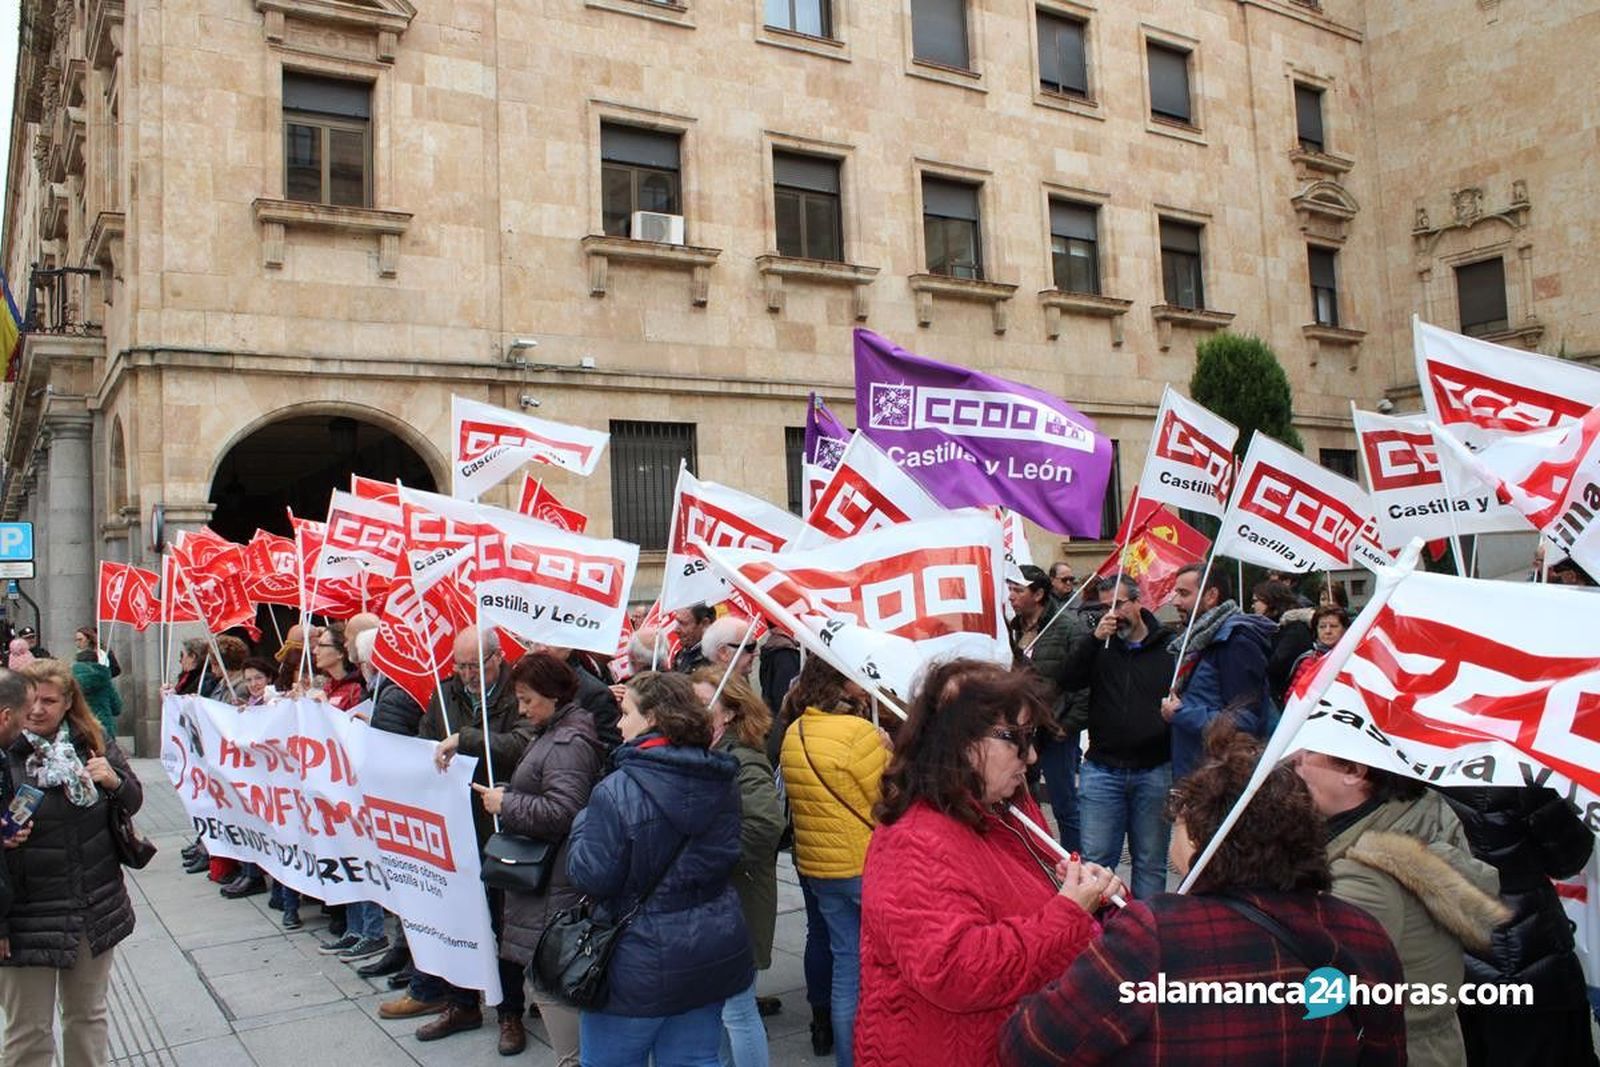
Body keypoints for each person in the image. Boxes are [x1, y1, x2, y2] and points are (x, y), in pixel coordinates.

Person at [1001, 723, 1407, 1066]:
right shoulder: (1363, 933)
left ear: (1202, 837)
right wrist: (1113, 906)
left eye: (1181, 815)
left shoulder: (1155, 934)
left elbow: (1032, 1044)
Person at [855, 660, 1120, 1067]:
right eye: (1018, 738)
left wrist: (1092, 893)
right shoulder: (913, 839)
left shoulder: (1007, 807)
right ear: (962, 741)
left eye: (1032, 737)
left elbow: (1030, 906)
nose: (1031, 755)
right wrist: (1069, 911)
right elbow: (953, 972)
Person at [566, 671, 753, 1065]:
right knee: (695, 1059)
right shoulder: (722, 778)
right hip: (708, 947)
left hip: (636, 960)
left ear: (652, 718)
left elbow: (591, 876)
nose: (619, 724)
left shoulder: (616, 790)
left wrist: (583, 822)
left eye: (626, 713)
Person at [1295, 751, 1508, 1067]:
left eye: (1310, 752)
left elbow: (1317, 996)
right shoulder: (1410, 818)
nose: (1296, 760)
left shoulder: (1366, 879)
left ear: (1354, 771)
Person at [379, 627, 535, 1040]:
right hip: (453, 820)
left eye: (474, 666)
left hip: (499, 822)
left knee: (503, 922)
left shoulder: (516, 692)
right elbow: (426, 739)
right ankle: (461, 1005)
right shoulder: (444, 692)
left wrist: (463, 740)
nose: (466, 674)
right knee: (455, 915)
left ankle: (510, 1013)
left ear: (496, 658)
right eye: (460, 665)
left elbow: (522, 744)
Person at [0, 660, 145, 1067]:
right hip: (25, 915)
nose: (37, 710)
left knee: (87, 1017)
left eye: (49, 701)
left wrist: (114, 781)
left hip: (91, 905)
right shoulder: (5, 750)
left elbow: (133, 800)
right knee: (27, 1030)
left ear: (68, 702)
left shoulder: (92, 741)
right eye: (32, 700)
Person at [475, 653, 605, 1062]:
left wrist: (508, 804)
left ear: (553, 695)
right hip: (548, 877)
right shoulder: (555, 732)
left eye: (528, 699)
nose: (522, 709)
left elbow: (565, 811)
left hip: (554, 881)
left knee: (554, 987)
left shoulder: (567, 742)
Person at [780, 657, 889, 1067]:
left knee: (846, 964)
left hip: (820, 868)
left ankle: (848, 1058)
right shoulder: (858, 733)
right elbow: (889, 796)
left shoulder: (795, 731)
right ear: (841, 683)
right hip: (864, 862)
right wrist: (889, 752)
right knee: (883, 965)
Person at [1441, 786, 1599, 1067]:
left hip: (1440, 955)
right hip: (1522, 960)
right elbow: (1567, 858)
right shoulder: (1517, 773)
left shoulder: (1395, 766)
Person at [690, 669, 784, 1067]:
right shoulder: (705, 754)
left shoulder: (742, 759)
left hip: (739, 901)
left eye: (701, 702)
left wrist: (708, 855)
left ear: (728, 713)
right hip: (718, 902)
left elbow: (765, 826)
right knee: (717, 1010)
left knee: (737, 1010)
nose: (692, 710)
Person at [1062, 576, 1175, 901]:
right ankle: (1101, 927)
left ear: (1139, 603)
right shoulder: (1101, 645)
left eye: (1119, 604)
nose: (1112, 614)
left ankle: (1147, 925)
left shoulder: (1169, 646)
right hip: (1103, 770)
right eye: (1104, 607)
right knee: (1096, 863)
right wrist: (1093, 641)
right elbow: (1068, 679)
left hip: (1154, 770)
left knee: (1150, 862)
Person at [1161, 565, 1274, 780]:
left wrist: (1181, 714)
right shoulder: (1200, 639)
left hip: (1218, 778)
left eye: (1184, 593)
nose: (1175, 601)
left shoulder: (1235, 642)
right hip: (1196, 768)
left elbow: (1246, 720)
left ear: (1211, 595)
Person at [1008, 564, 1088, 852]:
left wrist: (1068, 725)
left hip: (1056, 729)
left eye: (1018, 590)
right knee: (1023, 799)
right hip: (1022, 729)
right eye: (1010, 589)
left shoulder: (1068, 628)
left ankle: (1074, 859)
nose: (1011, 596)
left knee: (1064, 803)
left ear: (1039, 594)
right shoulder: (1010, 629)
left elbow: (1084, 682)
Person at [1253, 580, 1313, 709]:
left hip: (1285, 701)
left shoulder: (1294, 630)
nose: (1253, 606)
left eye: (1256, 601)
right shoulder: (1274, 628)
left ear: (1270, 601)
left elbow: (1275, 666)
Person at [1284, 605, 1347, 699]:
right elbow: (1293, 698)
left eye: (1334, 626)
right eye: (1322, 627)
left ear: (1344, 629)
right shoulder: (1308, 661)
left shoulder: (1354, 658)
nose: (1328, 631)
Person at [310, 624, 366, 711]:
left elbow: (357, 719)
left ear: (340, 652)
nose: (315, 651)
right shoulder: (326, 686)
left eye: (321, 645)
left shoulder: (357, 689)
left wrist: (326, 707)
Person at [71, 646, 122, 741]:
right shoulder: (104, 679)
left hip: (78, 728)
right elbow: (117, 708)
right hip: (103, 728)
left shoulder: (69, 680)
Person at [672, 604, 717, 674]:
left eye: (683, 623)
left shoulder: (716, 658)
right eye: (677, 622)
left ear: (705, 623)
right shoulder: (681, 655)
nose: (676, 630)